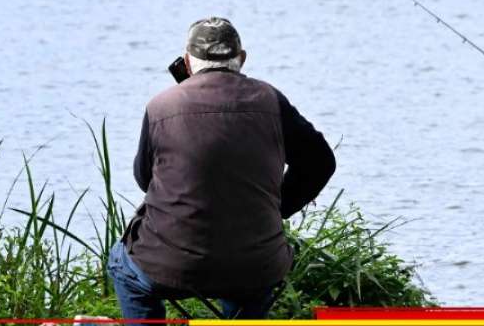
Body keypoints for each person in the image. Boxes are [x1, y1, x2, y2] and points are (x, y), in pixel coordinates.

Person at [107, 17, 336, 322]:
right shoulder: (271, 101)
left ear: (187, 62)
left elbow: (144, 178)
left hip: (172, 265)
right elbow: (320, 162)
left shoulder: (161, 106)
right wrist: (280, 206)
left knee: (122, 267)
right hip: (256, 264)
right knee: (250, 276)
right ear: (241, 59)